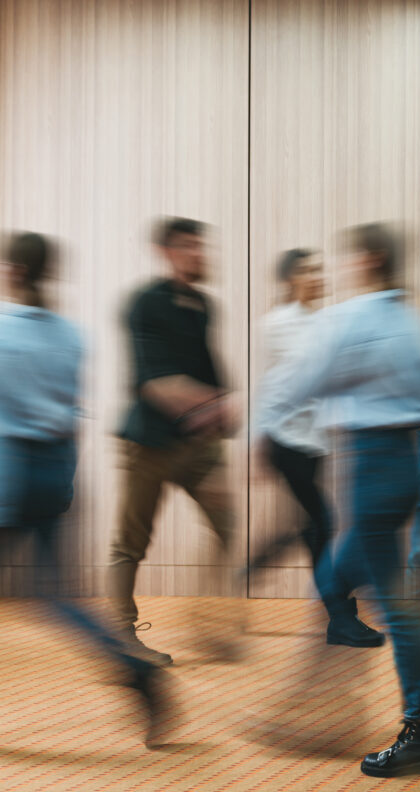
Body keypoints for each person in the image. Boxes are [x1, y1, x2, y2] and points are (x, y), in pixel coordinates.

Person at [262, 223, 420, 778]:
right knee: (334, 580)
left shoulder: (353, 319)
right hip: (412, 461)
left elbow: (303, 381)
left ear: (369, 259)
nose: (338, 270)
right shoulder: (417, 321)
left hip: (371, 471)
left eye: (346, 259)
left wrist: (260, 429)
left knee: (398, 609)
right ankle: (313, 708)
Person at [0, 232, 168, 745]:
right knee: (54, 595)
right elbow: (72, 415)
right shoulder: (71, 336)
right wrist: (65, 481)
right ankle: (133, 668)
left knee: (46, 595)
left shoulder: (3, 332)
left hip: (9, 472)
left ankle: (134, 670)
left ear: (14, 270)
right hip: (53, 471)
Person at [108, 217, 241, 667]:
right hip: (149, 443)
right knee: (130, 543)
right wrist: (215, 403)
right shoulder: (144, 303)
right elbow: (153, 383)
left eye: (202, 246)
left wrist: (220, 425)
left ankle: (207, 622)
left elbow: (211, 374)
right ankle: (123, 636)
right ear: (166, 252)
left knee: (225, 525)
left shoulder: (203, 306)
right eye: (189, 247)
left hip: (196, 445)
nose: (200, 254)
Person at [251, 248, 382, 647]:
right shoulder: (276, 324)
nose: (317, 276)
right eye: (308, 270)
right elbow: (274, 386)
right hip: (286, 439)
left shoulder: (328, 322)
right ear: (290, 279)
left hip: (317, 442)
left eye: (319, 269)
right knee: (323, 524)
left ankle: (270, 556)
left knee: (316, 526)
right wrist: (257, 441)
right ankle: (341, 618)